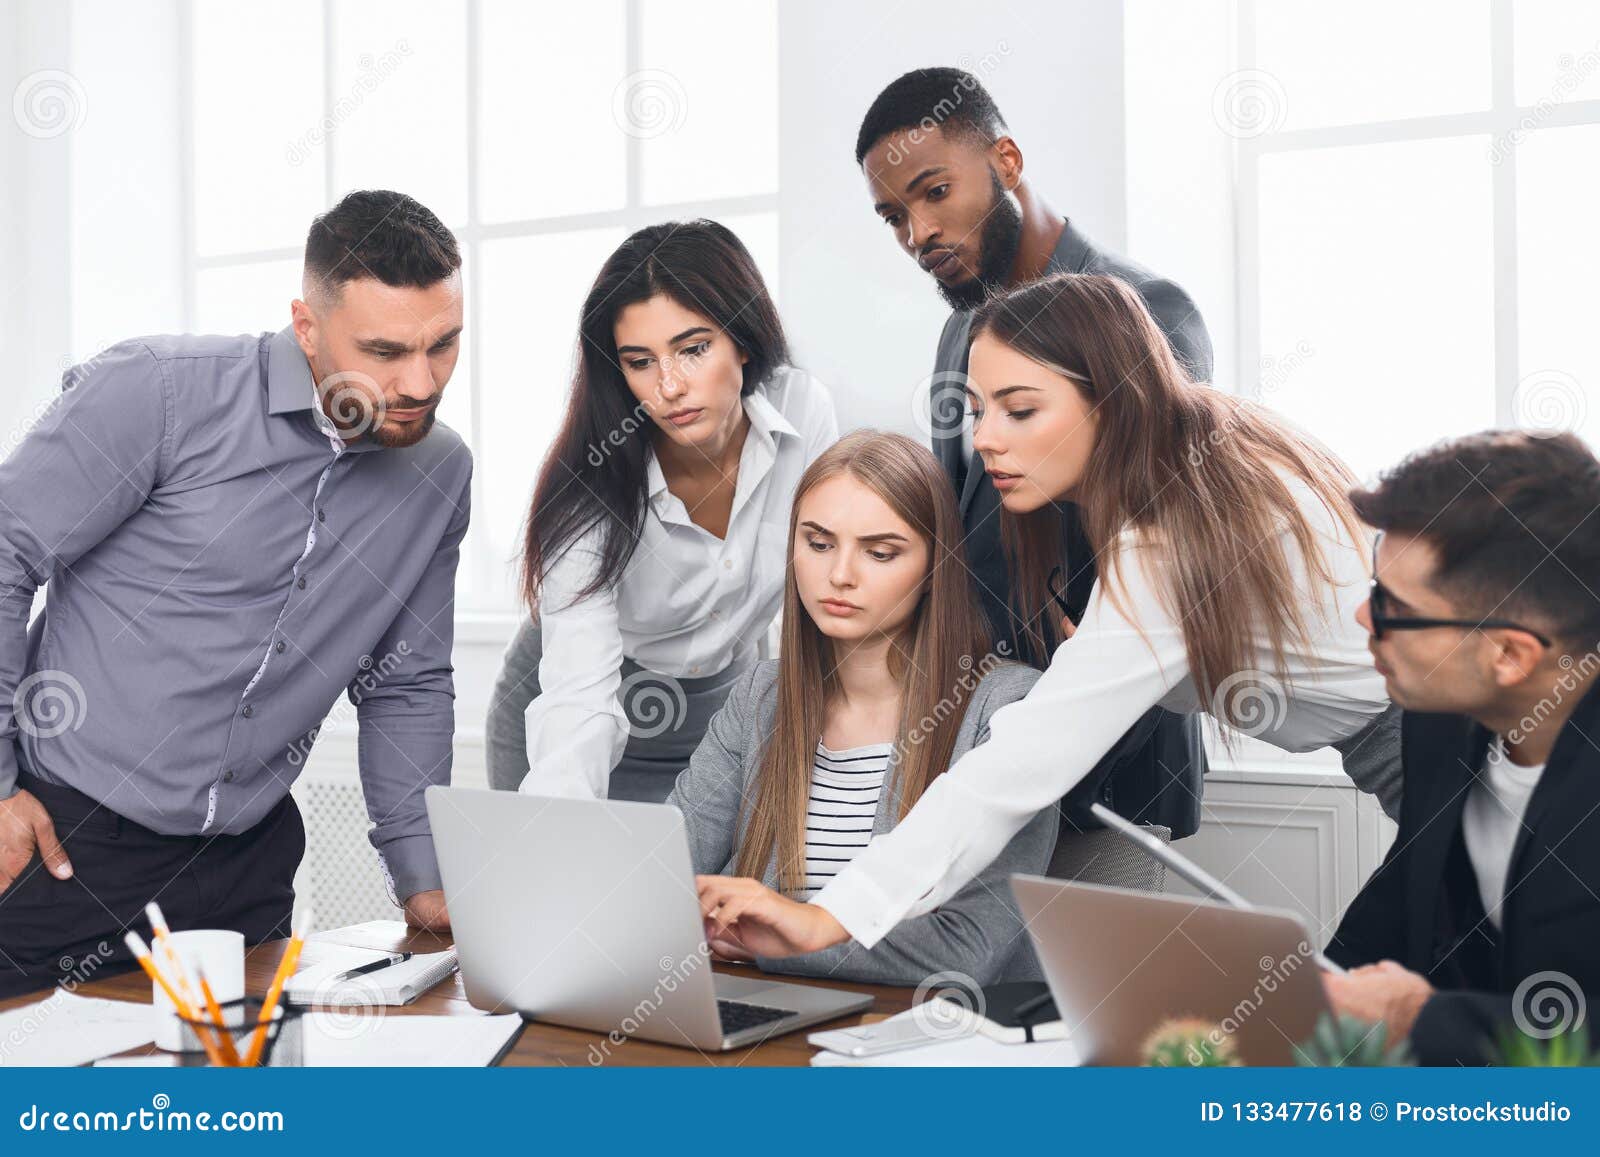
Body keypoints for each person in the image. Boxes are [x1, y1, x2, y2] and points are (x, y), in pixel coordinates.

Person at [696, 272, 1394, 960]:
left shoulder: (1165, 542)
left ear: (1113, 400)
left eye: (1020, 410)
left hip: (1447, 741)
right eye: (977, 410)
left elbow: (1015, 767)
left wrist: (827, 915)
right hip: (1415, 749)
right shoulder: (1205, 455)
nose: (987, 440)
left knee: (1381, 1022)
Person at [0, 190, 470, 999]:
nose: (419, 382)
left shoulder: (438, 471)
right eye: (386, 350)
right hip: (63, 846)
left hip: (247, 869)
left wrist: (422, 876)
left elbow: (405, 678)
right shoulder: (158, 394)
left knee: (237, 1111)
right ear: (307, 324)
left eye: (444, 345)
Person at [856, 66, 1219, 838]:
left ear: (1007, 163)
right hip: (978, 744)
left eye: (933, 192)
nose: (918, 234)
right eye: (893, 215)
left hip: (1115, 762)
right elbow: (961, 533)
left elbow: (1170, 538)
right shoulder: (960, 332)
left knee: (1100, 964)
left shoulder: (1149, 309)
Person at [669, 432, 1052, 985]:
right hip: (763, 1014)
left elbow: (969, 948)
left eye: (879, 553)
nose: (840, 575)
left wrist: (776, 943)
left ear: (933, 570)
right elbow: (664, 877)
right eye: (819, 543)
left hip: (925, 1040)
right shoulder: (760, 697)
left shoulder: (1005, 709)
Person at [493, 221, 837, 803]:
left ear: (743, 339)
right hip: (582, 707)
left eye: (693, 348)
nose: (669, 386)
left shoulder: (803, 410)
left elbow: (827, 586)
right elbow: (579, 702)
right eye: (640, 361)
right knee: (571, 885)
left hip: (725, 715)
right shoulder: (589, 487)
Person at [1323, 431, 1600, 1065]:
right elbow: (1396, 909)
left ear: (1509, 653)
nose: (1364, 620)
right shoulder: (1443, 719)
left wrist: (1423, 1019)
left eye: (1393, 606)